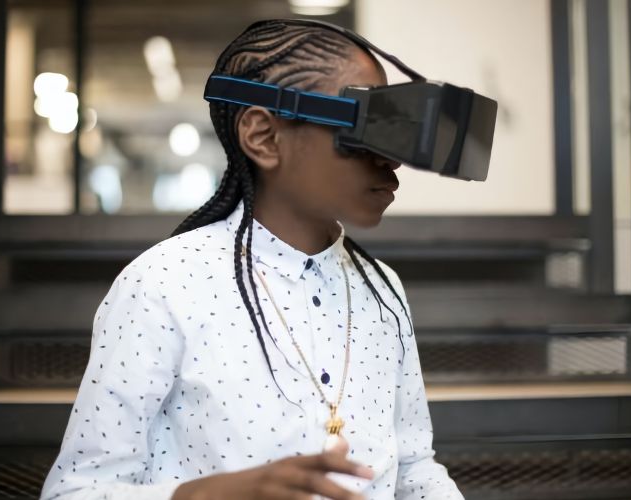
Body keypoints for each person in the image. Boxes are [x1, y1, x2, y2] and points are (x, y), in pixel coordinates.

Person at [41, 19, 465, 500]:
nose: (391, 158)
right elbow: (73, 492)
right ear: (264, 137)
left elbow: (413, 468)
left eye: (393, 129)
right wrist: (206, 495)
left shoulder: (382, 290)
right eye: (364, 126)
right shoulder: (164, 285)